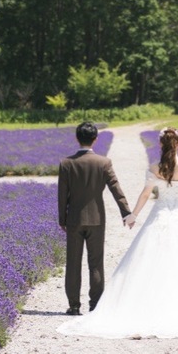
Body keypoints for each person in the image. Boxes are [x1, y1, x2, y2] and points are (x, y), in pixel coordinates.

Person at [57, 127, 178, 339]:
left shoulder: (154, 168)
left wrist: (132, 215)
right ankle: (100, 304)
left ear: (160, 144)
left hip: (137, 217)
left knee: (89, 262)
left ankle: (76, 305)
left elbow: (145, 194)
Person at [58, 121, 133, 316]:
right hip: (97, 219)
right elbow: (116, 188)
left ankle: (74, 305)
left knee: (73, 262)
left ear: (77, 138)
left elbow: (62, 195)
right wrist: (126, 212)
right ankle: (95, 304)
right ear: (96, 139)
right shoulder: (104, 163)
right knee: (96, 262)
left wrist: (62, 219)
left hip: (74, 219)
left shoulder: (66, 163)